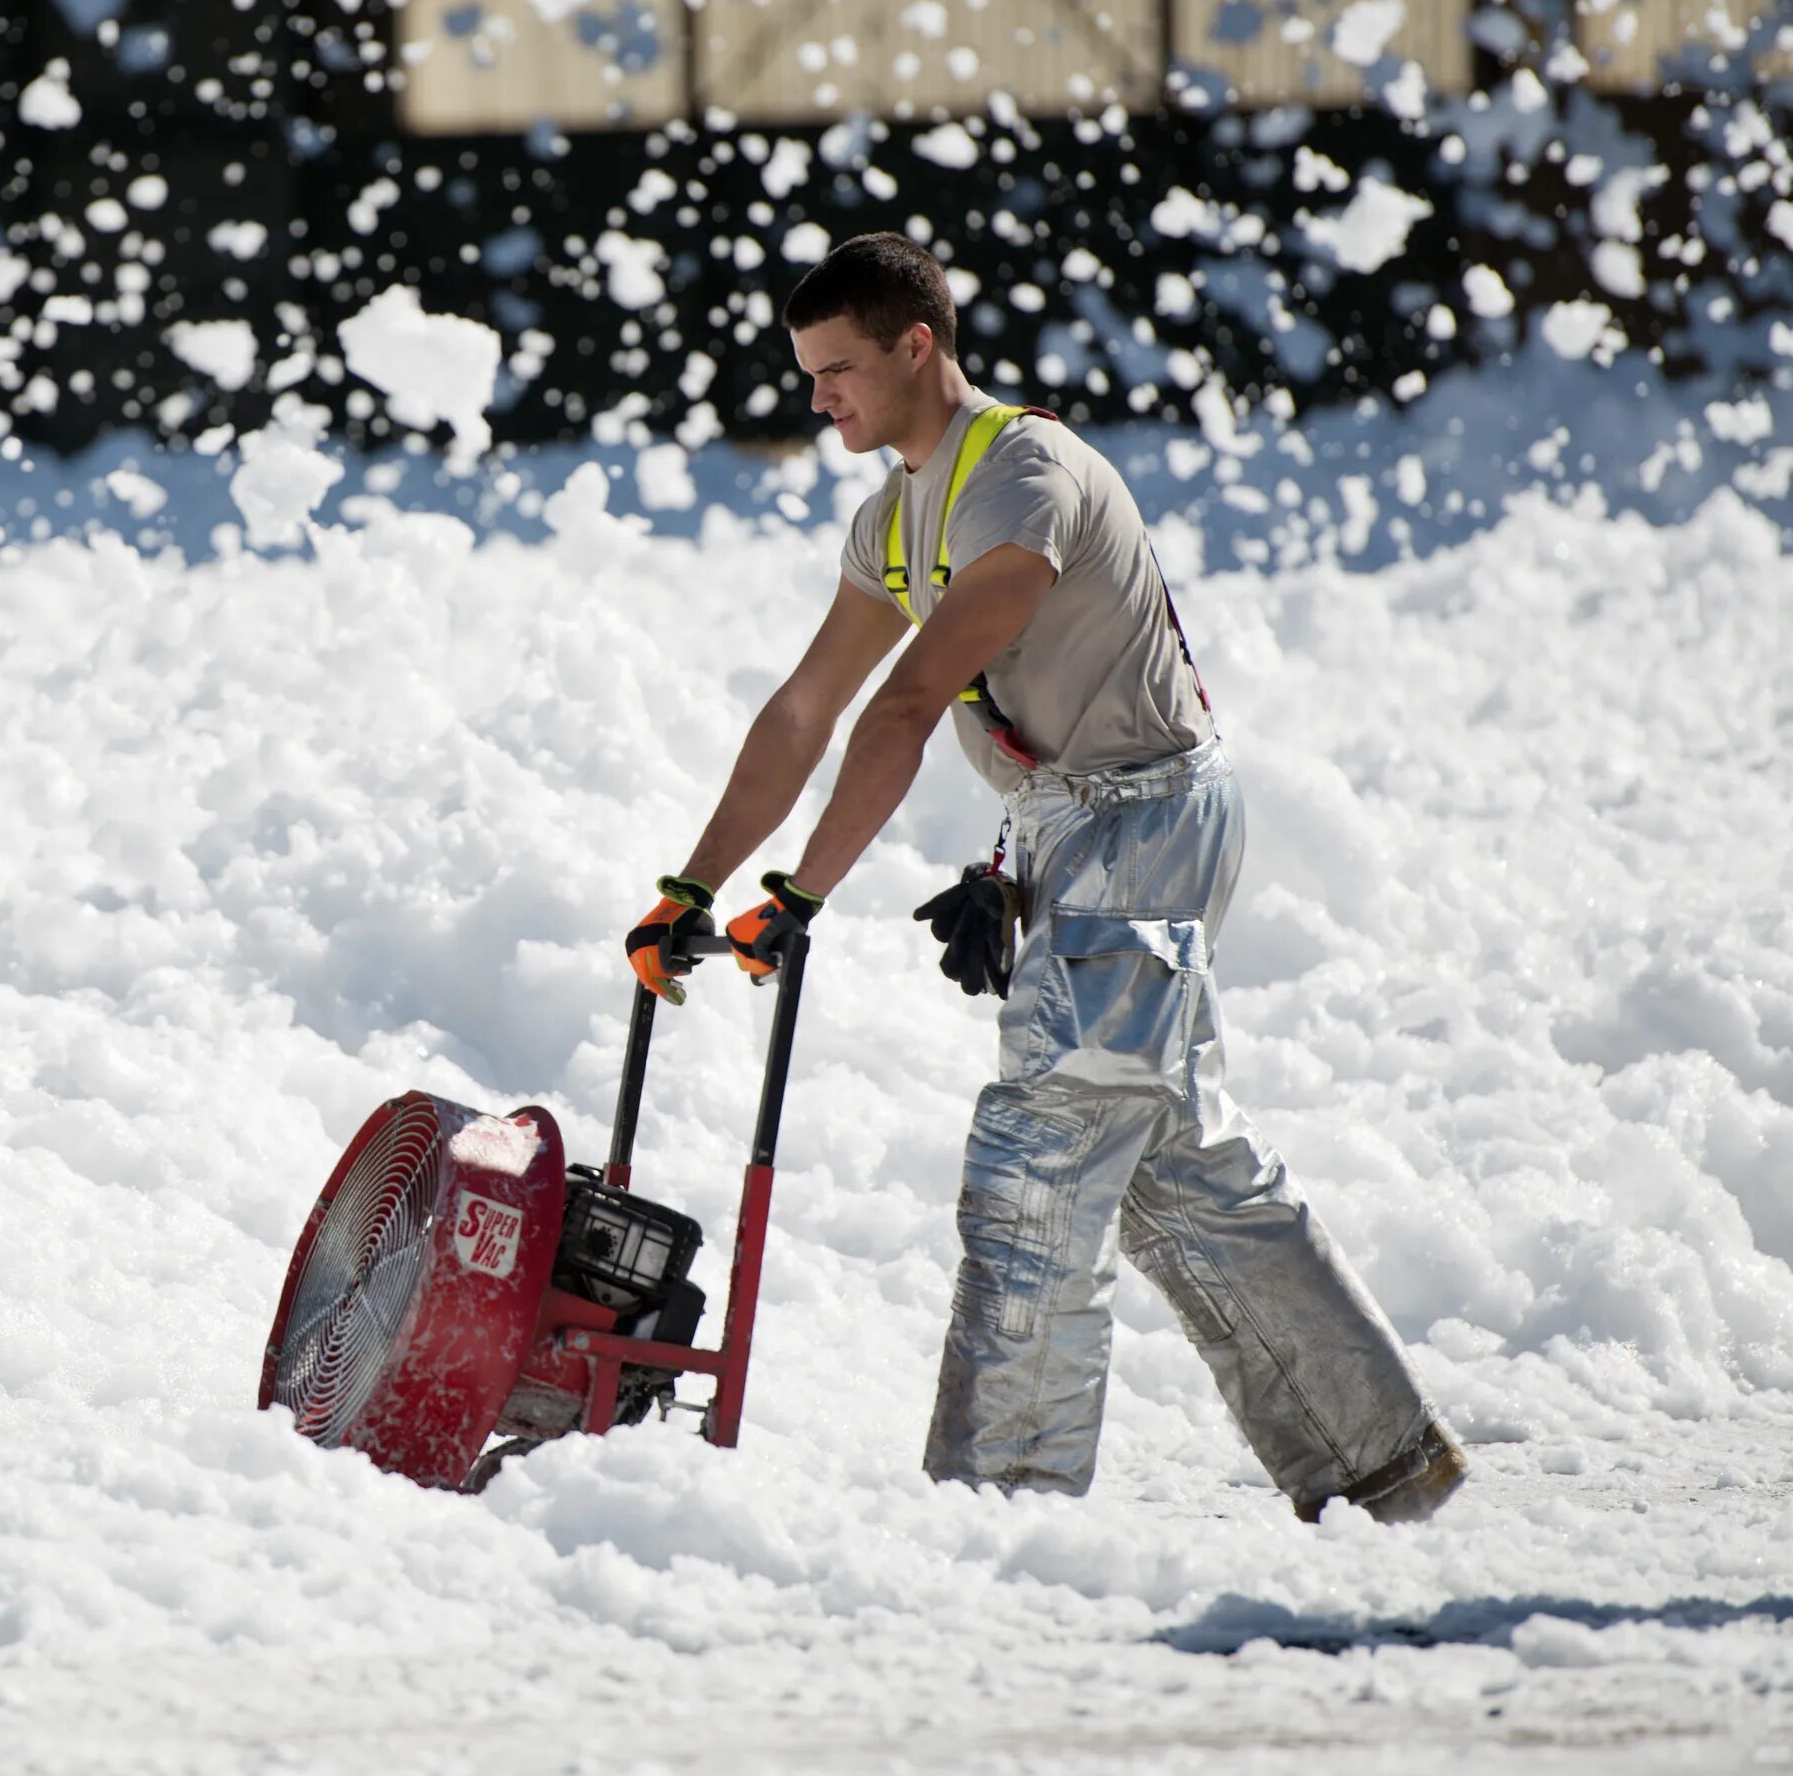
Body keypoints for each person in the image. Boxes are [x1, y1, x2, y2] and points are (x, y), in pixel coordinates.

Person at [626, 232, 1464, 1522]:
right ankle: (1382, 1459)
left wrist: (799, 896)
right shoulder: (893, 517)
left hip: (1150, 822)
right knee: (1170, 1160)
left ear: (919, 346)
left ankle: (996, 1506)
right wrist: (689, 889)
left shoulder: (1021, 476)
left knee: (1045, 1152)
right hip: (1077, 827)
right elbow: (805, 710)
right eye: (807, 375)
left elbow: (904, 704)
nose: (818, 399)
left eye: (839, 370)